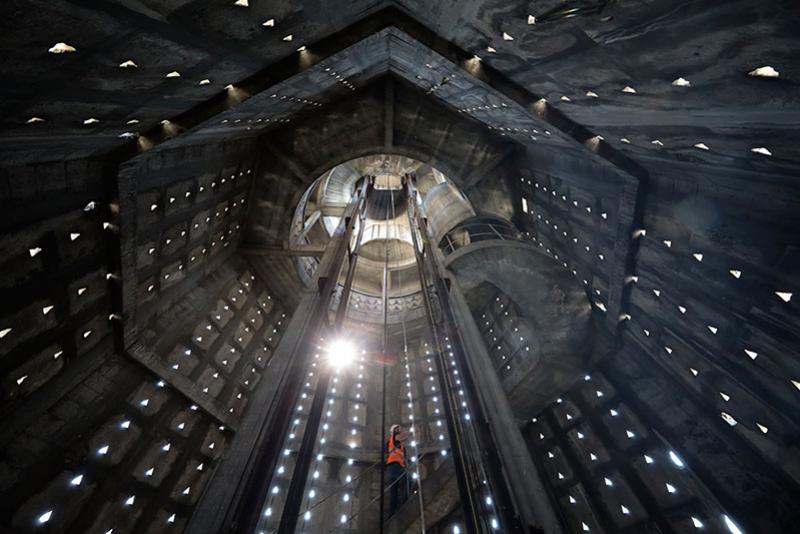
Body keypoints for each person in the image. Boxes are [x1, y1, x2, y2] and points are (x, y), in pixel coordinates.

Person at [385, 424, 408, 517]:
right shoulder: (394, 439)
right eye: (397, 429)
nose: (399, 430)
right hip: (394, 466)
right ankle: (406, 502)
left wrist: (406, 465)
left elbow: (404, 458)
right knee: (407, 480)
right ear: (393, 431)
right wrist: (412, 431)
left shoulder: (402, 446)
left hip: (398, 467)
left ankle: (392, 513)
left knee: (394, 491)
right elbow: (403, 436)